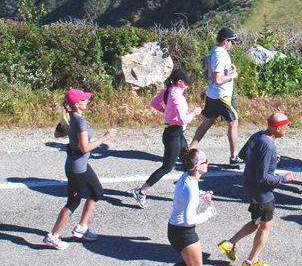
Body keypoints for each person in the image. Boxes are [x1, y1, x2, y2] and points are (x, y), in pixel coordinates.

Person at [217, 113, 295, 266]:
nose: (288, 128)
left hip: (248, 184)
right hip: (261, 192)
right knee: (266, 226)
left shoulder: (258, 135)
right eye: (287, 125)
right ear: (278, 127)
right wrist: (283, 179)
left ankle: (230, 244)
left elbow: (244, 155)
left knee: (258, 221)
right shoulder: (269, 145)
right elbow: (263, 177)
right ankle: (251, 261)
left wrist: (269, 160)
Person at [43, 89, 117, 250]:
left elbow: (57, 134)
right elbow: (85, 148)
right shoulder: (79, 121)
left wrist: (76, 130)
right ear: (77, 104)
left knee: (97, 191)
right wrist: (105, 137)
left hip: (78, 164)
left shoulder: (68, 116)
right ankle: (53, 236)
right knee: (73, 202)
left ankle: (81, 227)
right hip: (77, 167)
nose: (87, 101)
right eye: (84, 99)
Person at [145, 147, 215, 266]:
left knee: (189, 264)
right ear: (198, 167)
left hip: (176, 230)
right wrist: (208, 213)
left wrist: (200, 199)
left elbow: (182, 202)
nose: (208, 163)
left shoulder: (186, 178)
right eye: (205, 161)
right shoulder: (192, 186)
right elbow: (189, 219)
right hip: (183, 232)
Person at [132, 69, 203, 209]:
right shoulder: (176, 97)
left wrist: (167, 112)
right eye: (187, 82)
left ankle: (191, 191)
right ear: (179, 82)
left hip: (176, 133)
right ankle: (141, 191)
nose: (188, 84)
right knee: (167, 167)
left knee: (188, 160)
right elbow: (183, 121)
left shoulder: (168, 91)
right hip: (173, 135)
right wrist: (194, 113)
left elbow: (154, 103)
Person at [189, 27, 242, 168]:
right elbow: (218, 79)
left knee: (208, 122)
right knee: (233, 123)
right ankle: (234, 157)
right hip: (223, 95)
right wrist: (233, 76)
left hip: (212, 94)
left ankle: (190, 150)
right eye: (232, 42)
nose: (233, 44)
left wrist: (230, 70)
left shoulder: (216, 50)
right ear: (226, 41)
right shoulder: (220, 55)